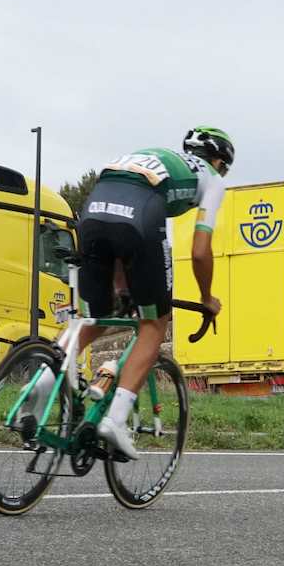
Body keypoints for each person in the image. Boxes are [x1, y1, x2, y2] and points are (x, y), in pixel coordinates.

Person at [71, 127, 233, 460]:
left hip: (95, 206)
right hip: (138, 217)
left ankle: (46, 375)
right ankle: (116, 420)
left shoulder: (155, 155)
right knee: (154, 324)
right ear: (218, 161)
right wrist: (207, 298)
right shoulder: (212, 179)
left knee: (95, 316)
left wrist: (122, 284)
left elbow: (117, 226)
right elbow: (200, 251)